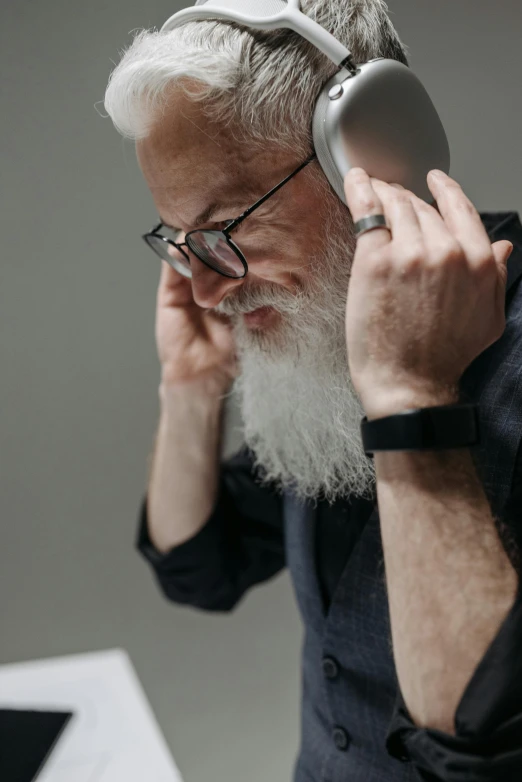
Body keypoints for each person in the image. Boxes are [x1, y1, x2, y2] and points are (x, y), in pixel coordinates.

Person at [103, 2, 522, 779]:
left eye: (224, 229)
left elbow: (486, 753)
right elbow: (200, 568)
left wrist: (411, 397)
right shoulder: (321, 340)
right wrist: (191, 390)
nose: (203, 289)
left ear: (372, 156)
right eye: (182, 244)